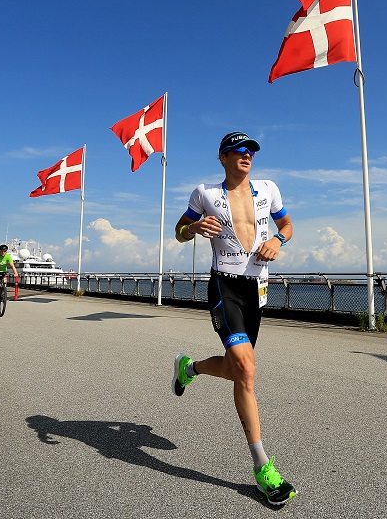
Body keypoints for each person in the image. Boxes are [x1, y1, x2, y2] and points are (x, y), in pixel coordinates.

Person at [170, 131, 296, 505]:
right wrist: (192, 229)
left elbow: (287, 226)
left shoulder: (269, 189)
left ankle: (189, 368)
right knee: (246, 368)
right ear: (222, 157)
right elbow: (178, 232)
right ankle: (263, 468)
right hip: (224, 286)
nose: (247, 156)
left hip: (256, 288)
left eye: (251, 152)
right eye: (239, 151)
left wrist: (279, 240)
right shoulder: (204, 193)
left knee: (238, 369)